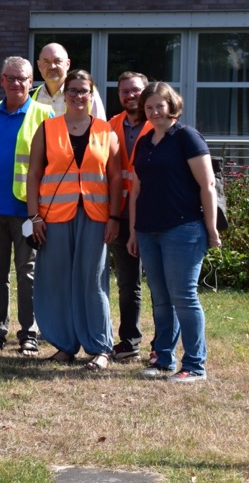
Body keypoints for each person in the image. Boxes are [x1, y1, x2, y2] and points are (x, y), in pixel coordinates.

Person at [26, 70, 122, 371]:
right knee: (55, 280)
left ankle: (100, 347)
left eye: (84, 91)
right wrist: (35, 215)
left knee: (92, 280)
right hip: (54, 217)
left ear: (92, 95)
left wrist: (115, 216)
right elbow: (34, 174)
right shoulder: (48, 128)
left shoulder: (106, 131)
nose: (78, 96)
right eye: (73, 90)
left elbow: (117, 177)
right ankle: (64, 344)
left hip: (95, 216)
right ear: (64, 94)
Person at [128, 82, 219, 383]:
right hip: (148, 230)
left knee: (184, 297)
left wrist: (211, 229)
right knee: (161, 298)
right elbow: (136, 189)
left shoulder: (186, 137)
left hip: (184, 228)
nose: (154, 112)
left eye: (159, 106)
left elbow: (207, 185)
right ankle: (164, 359)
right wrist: (132, 231)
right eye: (149, 107)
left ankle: (194, 365)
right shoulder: (145, 142)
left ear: (172, 105)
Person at [0, 57, 53, 356]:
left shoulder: (45, 114)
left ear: (31, 83)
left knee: (27, 272)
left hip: (27, 210)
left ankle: (29, 333)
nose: (17, 83)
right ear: (2, 80)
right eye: (11, 78)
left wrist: (41, 210)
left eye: (23, 79)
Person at [107, 72, 151, 361]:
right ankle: (129, 340)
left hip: (153, 212)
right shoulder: (111, 125)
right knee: (127, 282)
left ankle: (162, 345)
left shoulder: (159, 122)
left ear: (146, 91)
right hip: (120, 213)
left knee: (162, 284)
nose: (130, 95)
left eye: (135, 90)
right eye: (124, 91)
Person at [32, 43, 105, 119]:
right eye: (46, 62)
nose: (52, 66)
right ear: (39, 65)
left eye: (57, 61)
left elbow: (100, 129)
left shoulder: (86, 93)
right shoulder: (31, 96)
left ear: (67, 64)